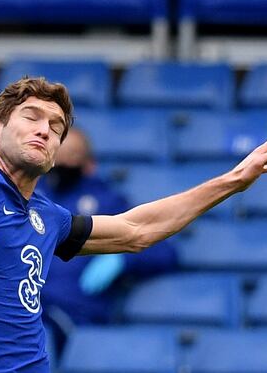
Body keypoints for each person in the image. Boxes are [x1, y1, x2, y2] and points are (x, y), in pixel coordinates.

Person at [0, 77, 267, 373]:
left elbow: (137, 232)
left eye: (56, 127)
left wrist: (233, 182)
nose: (45, 129)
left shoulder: (49, 218)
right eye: (31, 117)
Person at [37, 127, 178, 359]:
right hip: (23, 306)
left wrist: (122, 259)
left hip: (72, 315)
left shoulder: (108, 201)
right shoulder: (31, 194)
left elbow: (163, 250)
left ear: (89, 164)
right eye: (55, 154)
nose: (60, 162)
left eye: (71, 155)